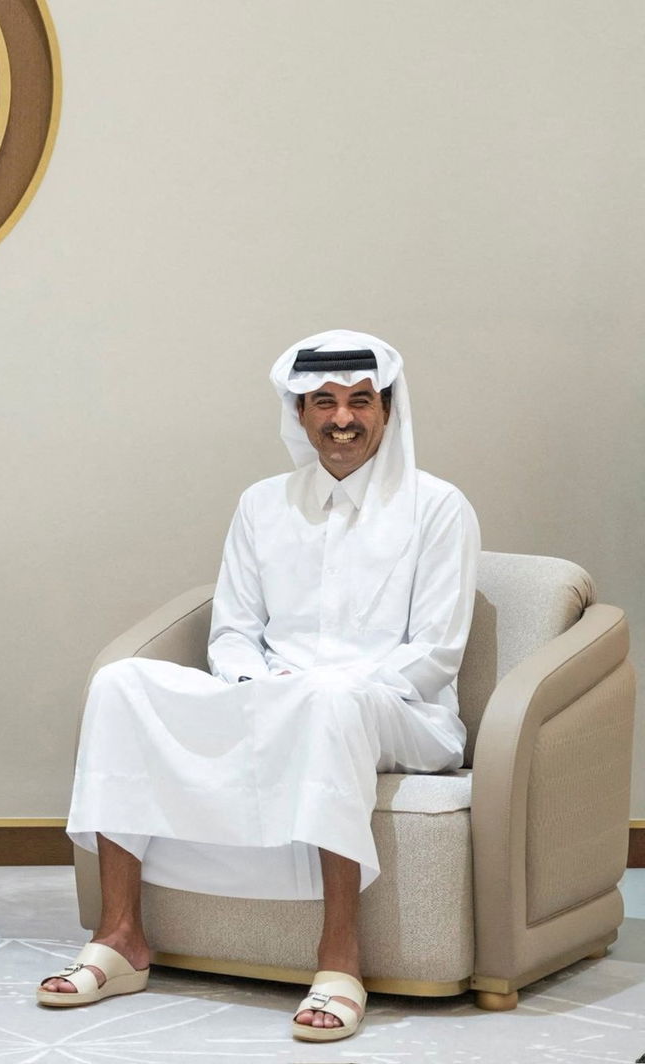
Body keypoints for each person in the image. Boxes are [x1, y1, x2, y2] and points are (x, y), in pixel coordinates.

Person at [37, 330, 479, 1044]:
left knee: (331, 702)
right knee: (122, 683)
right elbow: (233, 633)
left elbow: (432, 655)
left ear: (388, 412)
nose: (342, 419)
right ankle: (120, 937)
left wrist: (310, 694)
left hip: (402, 713)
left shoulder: (438, 507)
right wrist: (259, 687)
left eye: (360, 402)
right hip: (275, 698)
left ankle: (339, 961)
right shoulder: (262, 505)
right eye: (324, 403)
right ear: (298, 415)